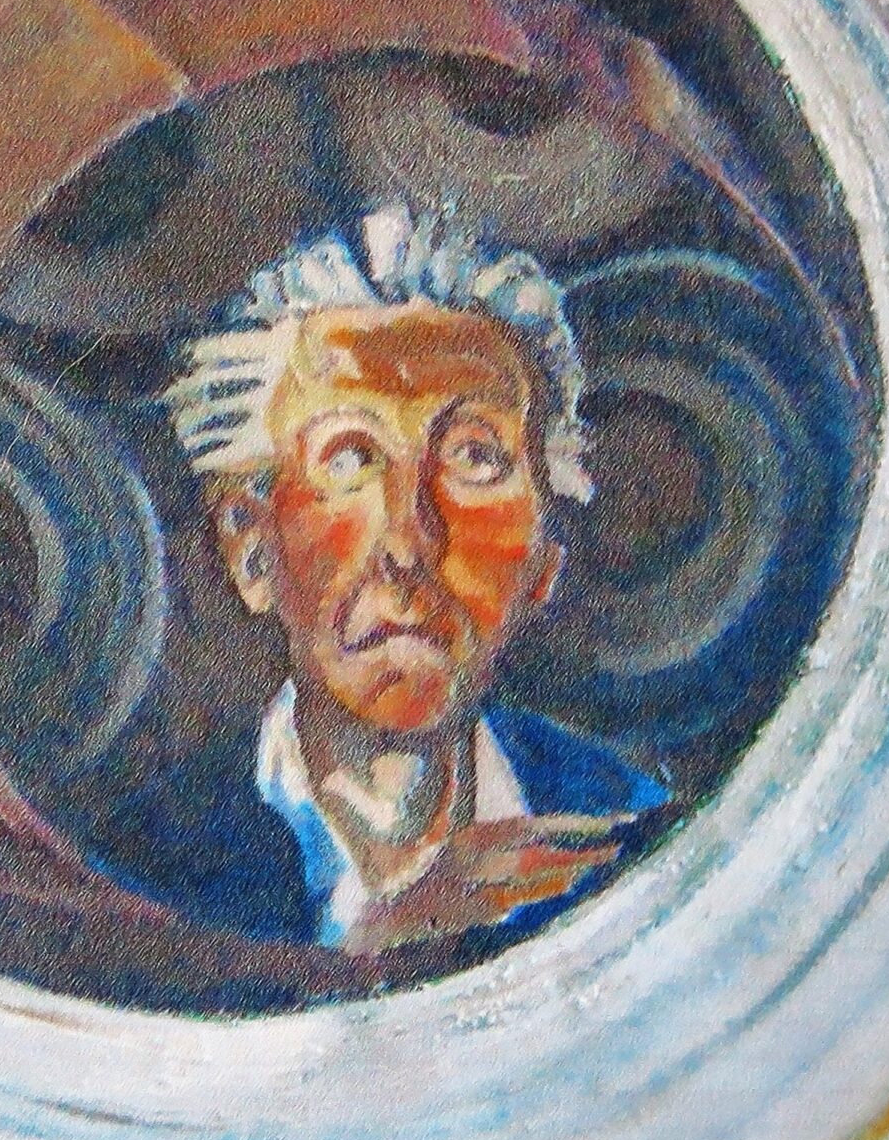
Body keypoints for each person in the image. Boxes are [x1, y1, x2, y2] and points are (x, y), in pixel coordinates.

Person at [140, 202, 666, 958]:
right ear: (252, 550)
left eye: (475, 457)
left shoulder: (630, 832)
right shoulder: (152, 867)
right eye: (350, 460)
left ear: (544, 559)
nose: (409, 541)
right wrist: (380, 942)